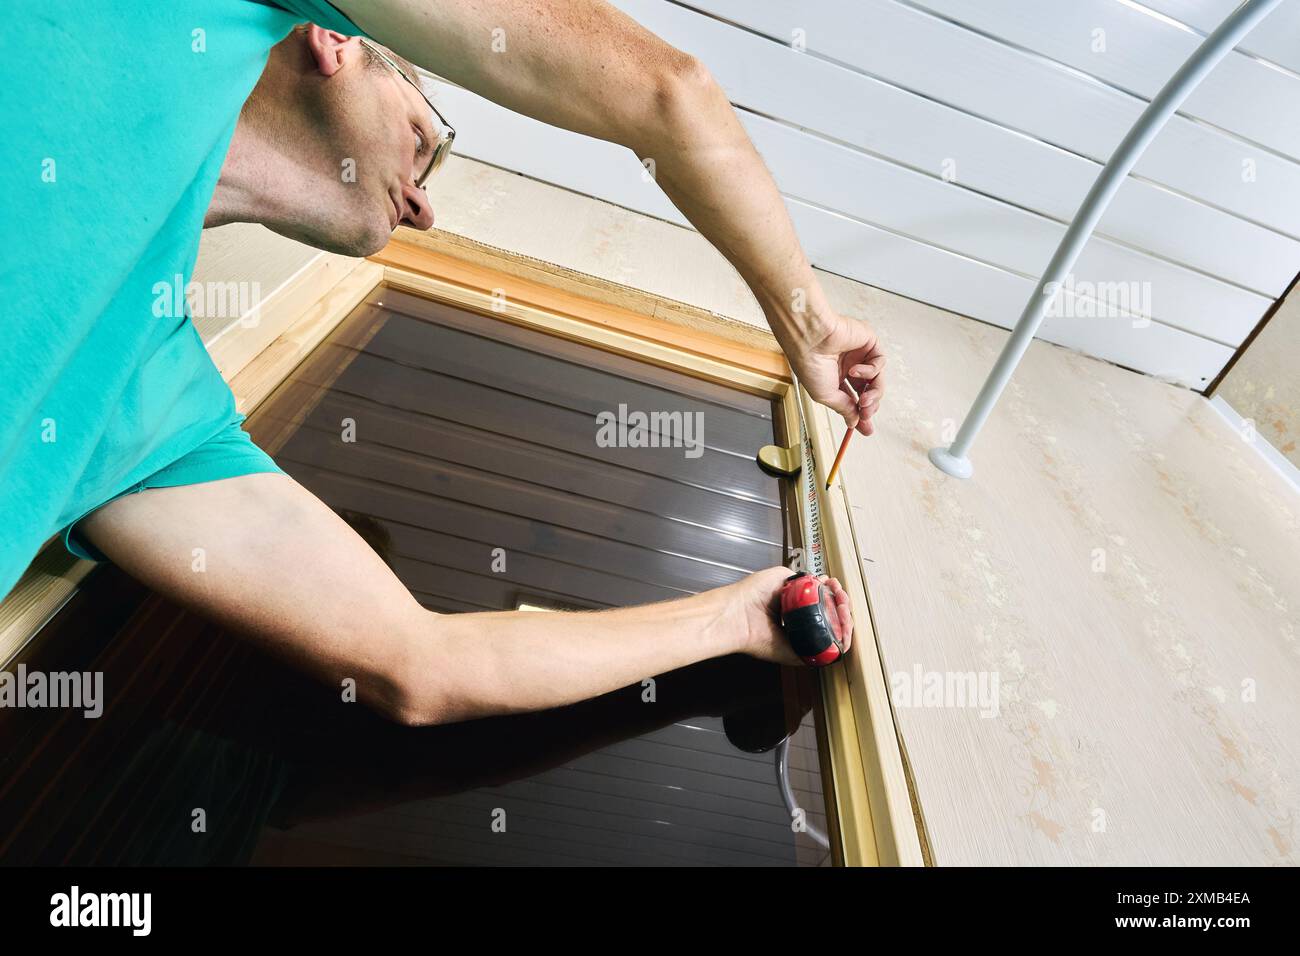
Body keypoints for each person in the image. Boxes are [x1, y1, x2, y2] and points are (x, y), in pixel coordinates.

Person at [2, 1, 883, 726]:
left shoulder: (150, 401)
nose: (424, 208)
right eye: (429, 141)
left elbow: (423, 665)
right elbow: (666, 91)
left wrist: (731, 618)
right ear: (336, 38)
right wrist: (808, 325)